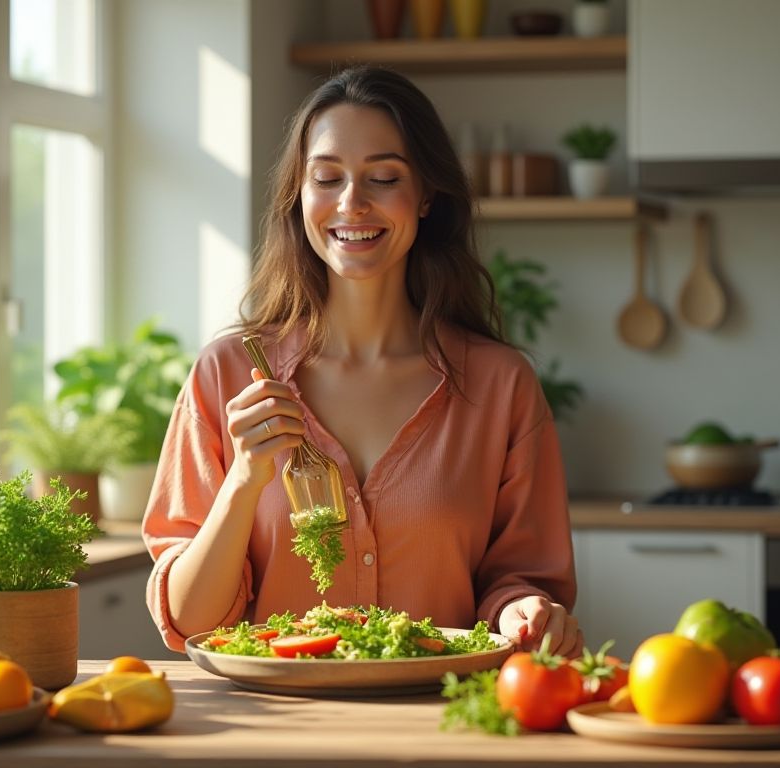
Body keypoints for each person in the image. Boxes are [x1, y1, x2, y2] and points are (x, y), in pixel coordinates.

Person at [142, 65, 582, 658]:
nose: (352, 203)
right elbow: (190, 621)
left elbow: (517, 581)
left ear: (425, 196)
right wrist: (244, 480)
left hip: (442, 710)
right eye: (327, 178)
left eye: (383, 177)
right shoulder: (225, 374)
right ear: (299, 196)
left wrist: (523, 609)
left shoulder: (502, 386)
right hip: (273, 714)